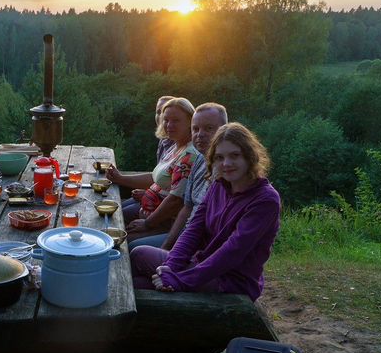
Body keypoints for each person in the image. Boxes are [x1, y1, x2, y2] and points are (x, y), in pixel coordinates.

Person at [130, 123, 281, 302]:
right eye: (219, 157)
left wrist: (181, 280)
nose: (226, 163)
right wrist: (171, 266)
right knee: (138, 255)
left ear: (250, 156)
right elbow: (194, 229)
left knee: (138, 287)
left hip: (231, 281)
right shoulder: (219, 184)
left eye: (235, 155)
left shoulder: (265, 199)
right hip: (199, 265)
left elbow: (233, 252)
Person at [128, 103, 228, 251]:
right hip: (181, 231)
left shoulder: (200, 160)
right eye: (196, 129)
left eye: (209, 128)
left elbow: (177, 202)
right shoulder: (200, 159)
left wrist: (151, 226)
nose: (200, 134)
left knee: (133, 247)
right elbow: (187, 208)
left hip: (192, 240)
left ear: (225, 130)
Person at [107, 97, 199, 241]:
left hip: (169, 223)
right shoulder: (176, 146)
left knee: (124, 240)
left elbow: (176, 201)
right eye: (166, 120)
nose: (169, 125)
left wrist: (148, 223)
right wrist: (120, 178)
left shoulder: (190, 155)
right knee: (114, 218)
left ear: (191, 122)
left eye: (176, 120)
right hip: (152, 211)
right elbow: (158, 177)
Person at [154, 95, 176, 163]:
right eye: (158, 112)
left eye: (165, 112)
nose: (161, 116)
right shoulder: (163, 140)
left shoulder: (180, 144)